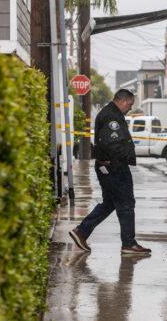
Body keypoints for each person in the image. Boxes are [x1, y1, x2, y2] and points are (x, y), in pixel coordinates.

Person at [69, 89, 151, 254]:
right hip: (115, 167)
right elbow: (112, 144)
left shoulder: (110, 113)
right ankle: (128, 243)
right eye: (129, 104)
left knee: (110, 203)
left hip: (110, 167)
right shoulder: (111, 116)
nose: (130, 108)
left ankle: (81, 232)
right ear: (122, 100)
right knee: (126, 203)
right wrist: (120, 160)